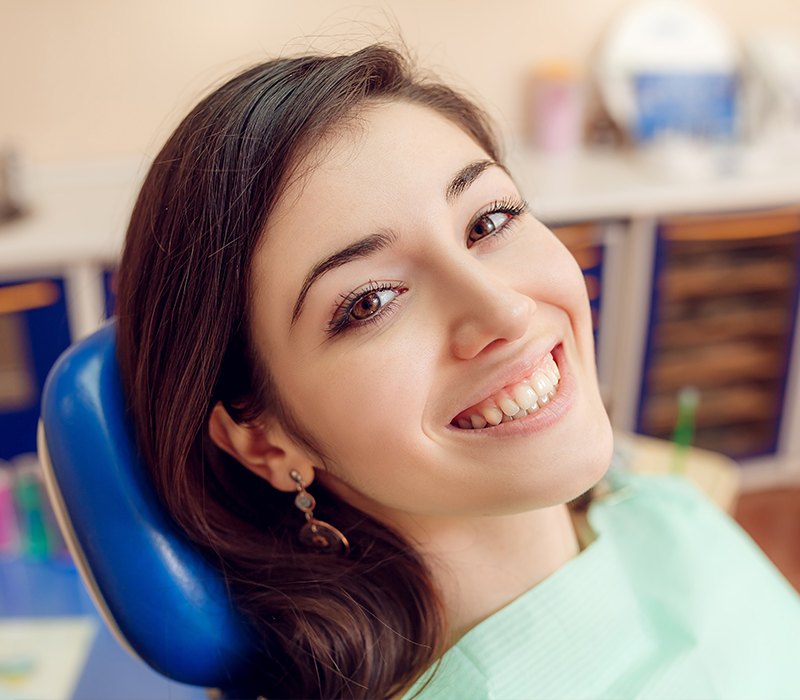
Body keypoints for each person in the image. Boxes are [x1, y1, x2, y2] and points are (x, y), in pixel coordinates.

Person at [116, 44, 800, 699]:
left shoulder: (651, 506)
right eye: (369, 302)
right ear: (266, 442)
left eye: (490, 221)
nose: (503, 308)